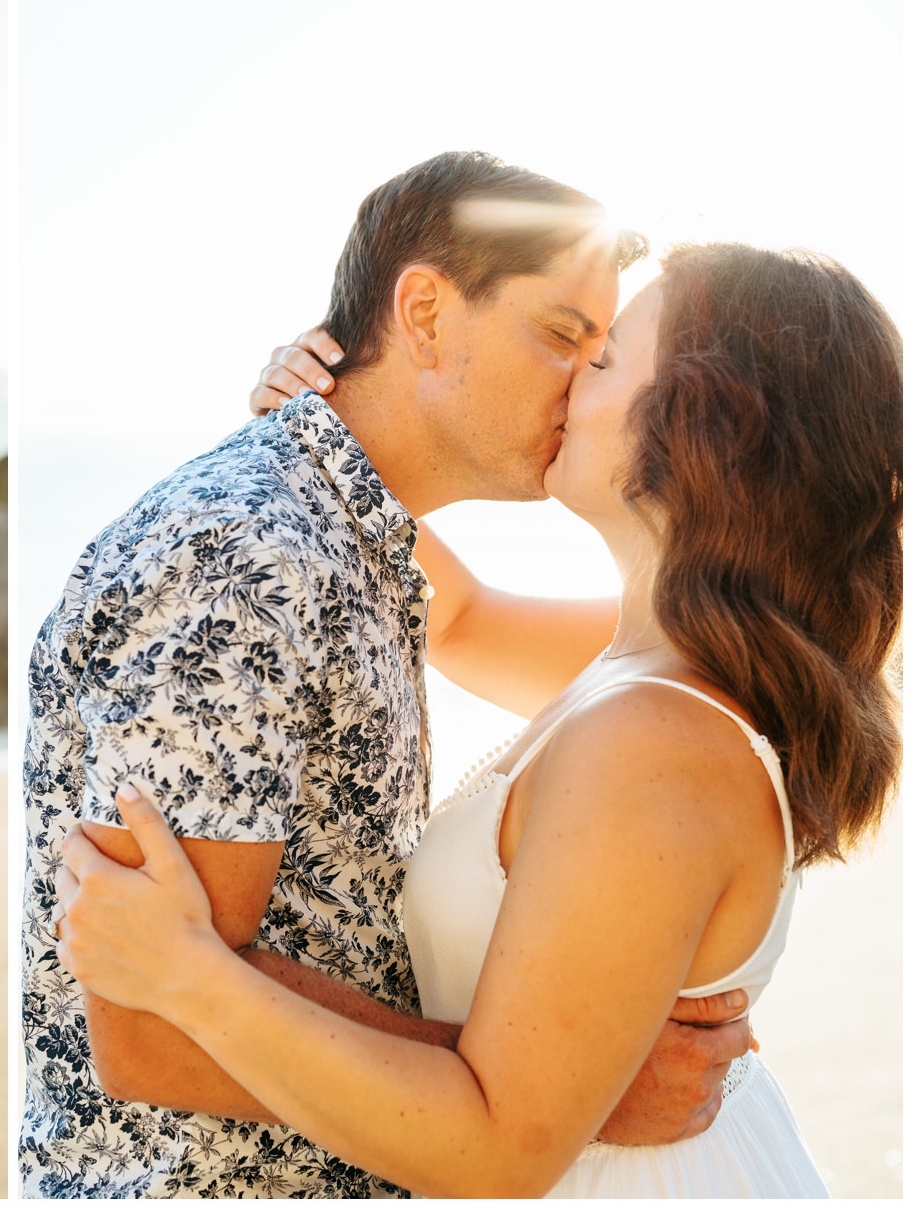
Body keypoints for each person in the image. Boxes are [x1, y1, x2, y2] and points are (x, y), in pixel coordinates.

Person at [55, 240, 901, 1196]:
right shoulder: (653, 662)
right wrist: (318, 430)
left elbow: (501, 1148)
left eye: (607, 356)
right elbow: (453, 617)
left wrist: (190, 976)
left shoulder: (659, 738)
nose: (574, 372)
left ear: (709, 429)